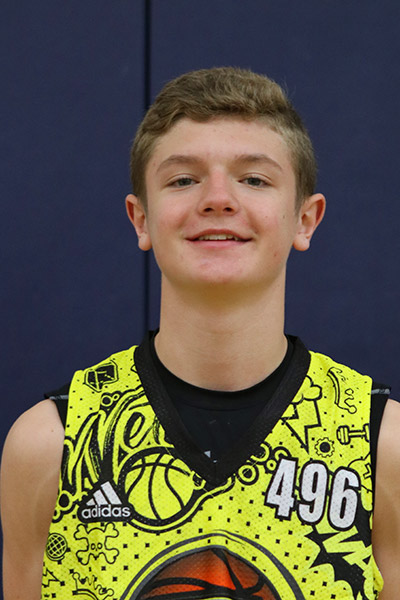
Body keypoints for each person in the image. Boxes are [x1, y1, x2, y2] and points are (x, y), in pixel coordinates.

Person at [1, 67, 399, 600]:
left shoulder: (382, 444)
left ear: (305, 219)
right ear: (141, 219)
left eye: (254, 179)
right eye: (183, 180)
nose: (217, 198)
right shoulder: (53, 442)